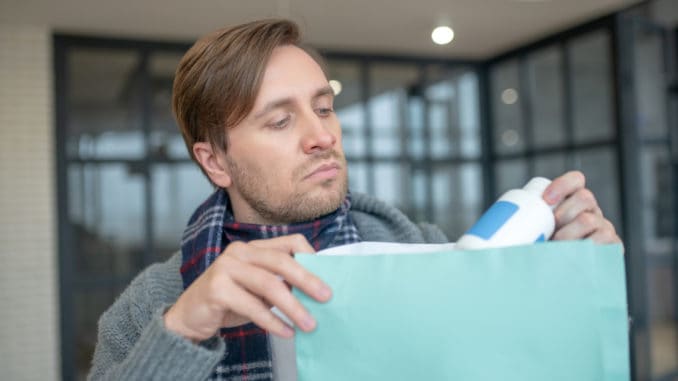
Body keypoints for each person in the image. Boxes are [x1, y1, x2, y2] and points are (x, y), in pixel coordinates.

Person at [88, 19, 622, 381]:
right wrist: (182, 332)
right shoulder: (148, 310)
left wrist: (580, 282)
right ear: (215, 162)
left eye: (323, 108)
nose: (322, 136)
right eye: (279, 120)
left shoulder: (430, 253)